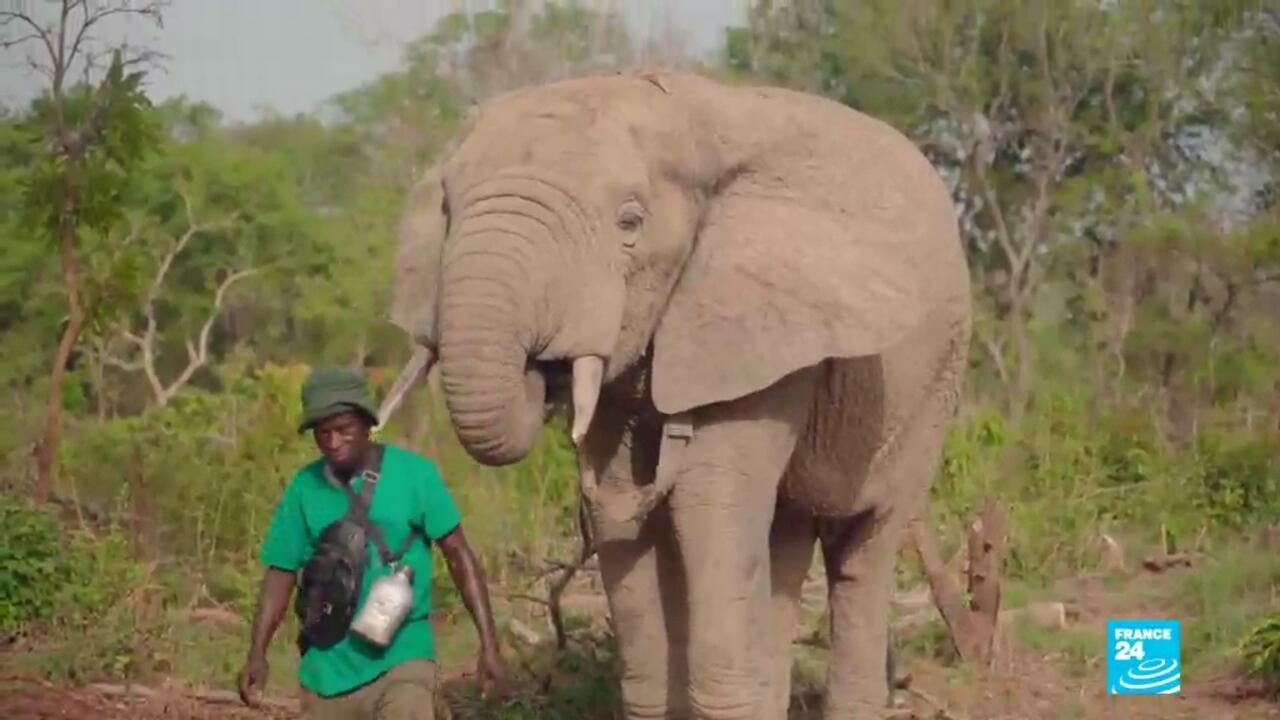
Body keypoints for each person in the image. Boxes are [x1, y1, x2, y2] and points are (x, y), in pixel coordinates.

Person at [237, 366, 514, 719]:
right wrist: (257, 653)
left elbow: (459, 556)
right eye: (323, 433)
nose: (333, 442)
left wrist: (489, 645)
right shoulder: (303, 488)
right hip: (326, 672)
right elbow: (281, 573)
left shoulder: (415, 475)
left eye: (343, 430)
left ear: (367, 423)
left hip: (402, 661)